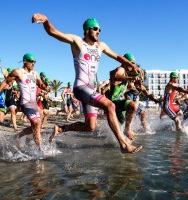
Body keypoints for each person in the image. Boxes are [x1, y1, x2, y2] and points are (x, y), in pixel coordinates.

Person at [32, 13, 143, 153]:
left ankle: (60, 128)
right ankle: (123, 143)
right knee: (110, 105)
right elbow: (53, 32)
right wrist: (46, 20)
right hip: (80, 87)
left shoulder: (100, 46)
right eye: (96, 29)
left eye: (100, 30)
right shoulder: (78, 42)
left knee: (90, 127)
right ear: (87, 30)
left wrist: (131, 66)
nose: (99, 32)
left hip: (91, 90)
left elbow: (117, 56)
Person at [0, 53, 49, 150]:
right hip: (25, 103)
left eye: (34, 62)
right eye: (31, 61)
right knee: (37, 123)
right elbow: (5, 82)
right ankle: (40, 149)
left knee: (35, 127)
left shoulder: (35, 73)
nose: (33, 63)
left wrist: (45, 87)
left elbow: (40, 84)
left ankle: (18, 136)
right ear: (25, 61)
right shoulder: (18, 72)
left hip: (34, 104)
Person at [108, 53, 143, 140]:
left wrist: (126, 94)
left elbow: (122, 88)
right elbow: (116, 76)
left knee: (123, 127)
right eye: (131, 62)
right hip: (113, 103)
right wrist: (130, 78)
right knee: (133, 105)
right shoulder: (121, 69)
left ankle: (125, 145)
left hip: (119, 103)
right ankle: (127, 130)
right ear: (124, 61)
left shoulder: (126, 73)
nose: (133, 65)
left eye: (134, 63)